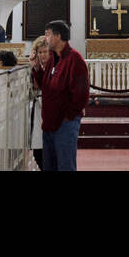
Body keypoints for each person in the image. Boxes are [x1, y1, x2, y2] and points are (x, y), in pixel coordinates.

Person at [39, 19, 88, 171]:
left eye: (47, 35)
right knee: (49, 165)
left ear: (58, 36)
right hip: (49, 121)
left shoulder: (75, 59)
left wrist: (68, 115)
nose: (45, 38)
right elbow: (46, 87)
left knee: (65, 165)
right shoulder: (53, 58)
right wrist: (36, 70)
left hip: (64, 122)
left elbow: (81, 94)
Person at [28, 36, 51, 168]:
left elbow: (43, 85)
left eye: (44, 52)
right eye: (40, 52)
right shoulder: (37, 66)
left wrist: (36, 69)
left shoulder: (53, 66)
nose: (42, 55)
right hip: (38, 108)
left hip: (49, 110)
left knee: (46, 151)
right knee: (38, 151)